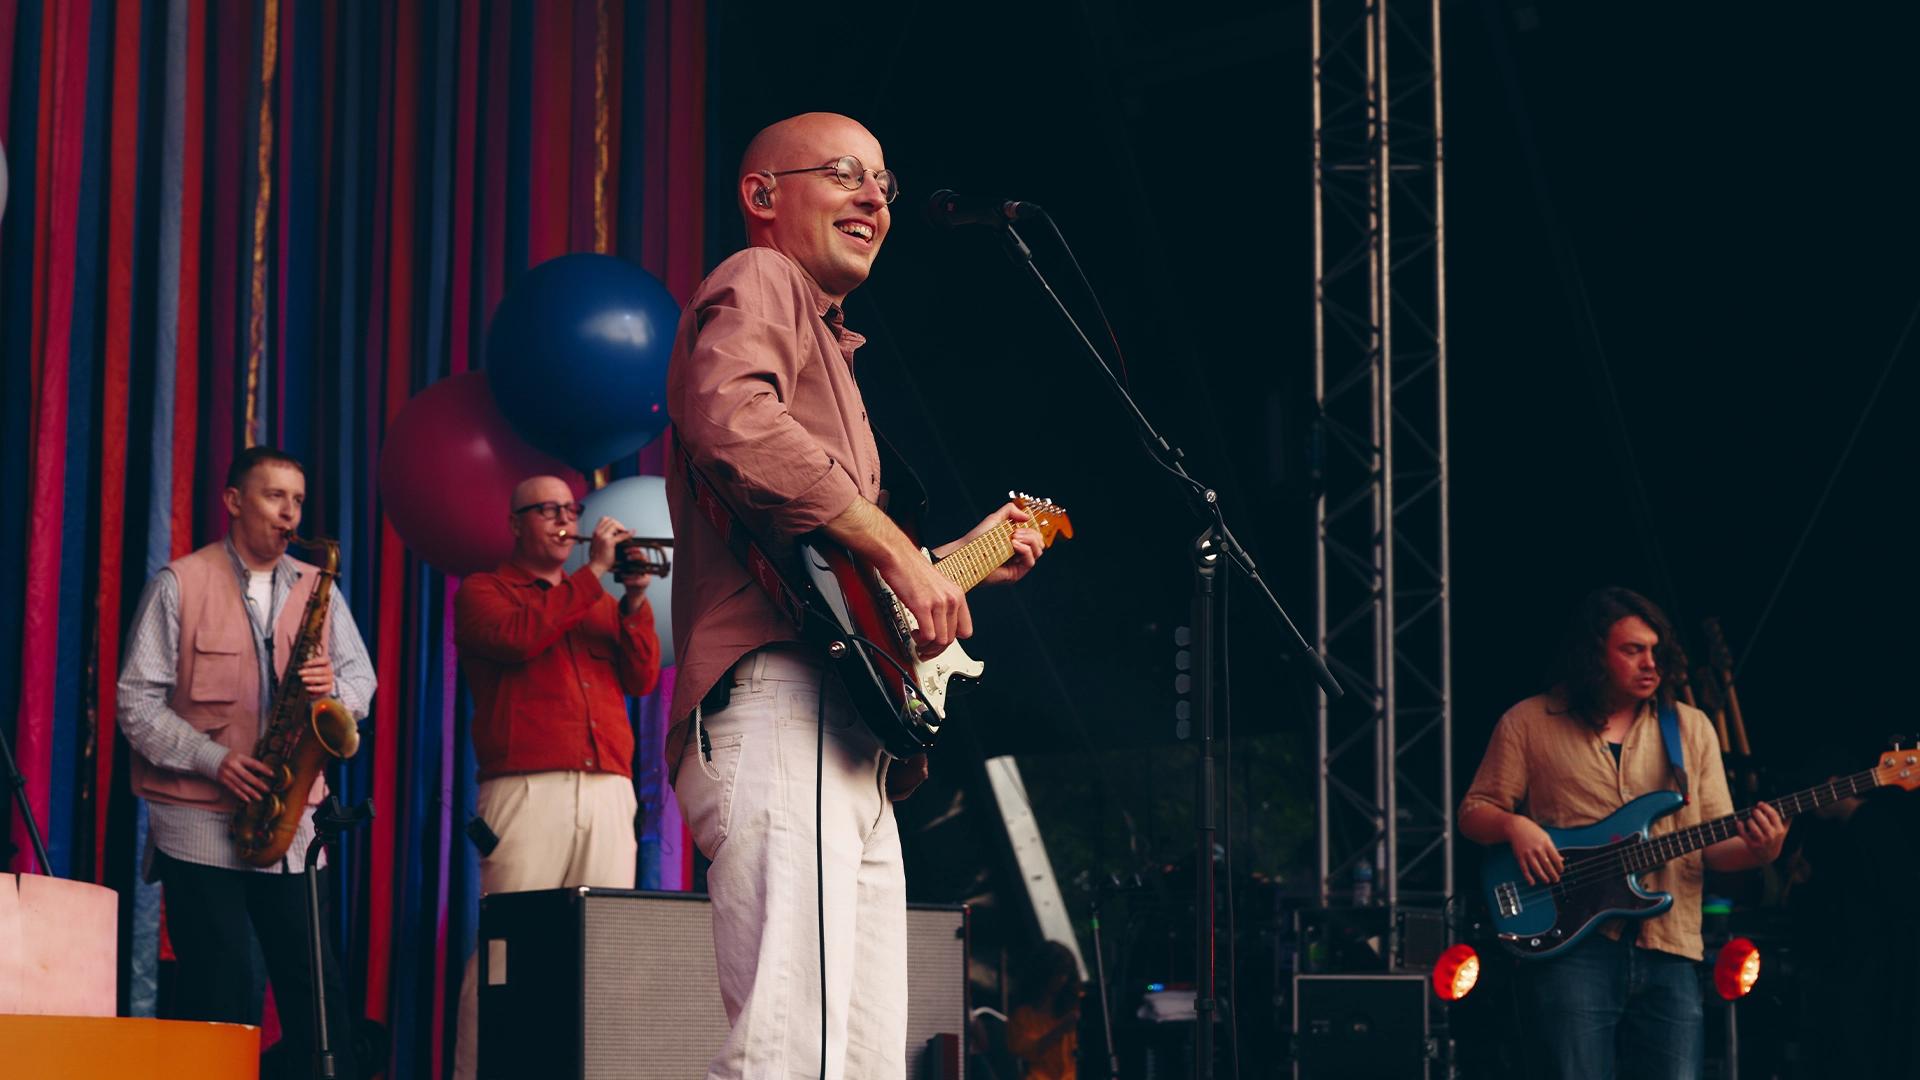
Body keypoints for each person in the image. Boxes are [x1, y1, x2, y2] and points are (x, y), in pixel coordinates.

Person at [665, 111, 1048, 1079]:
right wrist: (896, 549)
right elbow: (727, 417)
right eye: (844, 174)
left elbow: (828, 566)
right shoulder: (761, 280)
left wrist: (948, 561)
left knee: (860, 1052)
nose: (875, 198)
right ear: (762, 196)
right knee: (796, 1047)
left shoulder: (832, 345)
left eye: (884, 183)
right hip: (787, 704)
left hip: (846, 733)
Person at [1459, 586, 1788, 1079]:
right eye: (1633, 650)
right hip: (1571, 947)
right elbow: (1472, 813)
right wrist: (1515, 825)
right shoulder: (1528, 722)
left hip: (1671, 948)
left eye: (1655, 650)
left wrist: (1764, 849)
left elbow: (1714, 845)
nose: (1650, 663)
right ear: (1593, 655)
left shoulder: (1690, 728)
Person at [119, 446, 374, 1075]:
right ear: (234, 501)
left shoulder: (319, 585)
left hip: (290, 822)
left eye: (298, 500)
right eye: (273, 496)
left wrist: (330, 693)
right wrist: (213, 760)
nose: (289, 513)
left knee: (319, 996)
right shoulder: (178, 583)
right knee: (222, 990)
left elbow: (359, 684)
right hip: (200, 819)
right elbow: (134, 701)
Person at [450, 474, 662, 1080]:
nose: (565, 520)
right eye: (548, 510)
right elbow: (520, 639)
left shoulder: (595, 596)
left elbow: (642, 679)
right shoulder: (484, 591)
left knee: (601, 953)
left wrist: (636, 601)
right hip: (525, 792)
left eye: (571, 509)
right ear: (515, 523)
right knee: (506, 950)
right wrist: (593, 574)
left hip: (607, 789)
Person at [1007, 940, 1083, 1080]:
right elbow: (1024, 1051)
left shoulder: (1075, 1007)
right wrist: (1059, 1030)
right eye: (1056, 973)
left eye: (1065, 973)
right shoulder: (1023, 1015)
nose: (1061, 979)